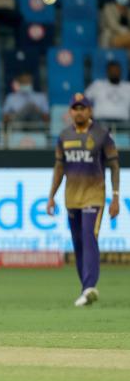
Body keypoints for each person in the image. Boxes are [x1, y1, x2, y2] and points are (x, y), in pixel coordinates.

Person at [47, 93, 120, 307]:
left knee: (89, 237)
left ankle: (90, 285)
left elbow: (114, 166)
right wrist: (51, 197)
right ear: (70, 112)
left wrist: (115, 197)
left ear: (90, 111)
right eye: (75, 108)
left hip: (94, 196)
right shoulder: (64, 136)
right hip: (72, 198)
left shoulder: (102, 135)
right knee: (78, 243)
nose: (79, 112)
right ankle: (85, 290)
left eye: (83, 108)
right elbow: (59, 168)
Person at [85, 60, 130, 128]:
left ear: (120, 72)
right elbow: (83, 100)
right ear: (107, 72)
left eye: (116, 70)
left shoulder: (128, 86)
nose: (114, 73)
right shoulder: (98, 85)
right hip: (101, 122)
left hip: (124, 124)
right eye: (112, 70)